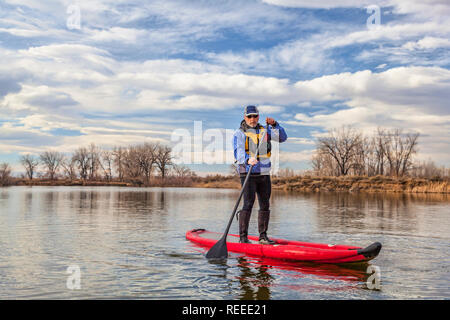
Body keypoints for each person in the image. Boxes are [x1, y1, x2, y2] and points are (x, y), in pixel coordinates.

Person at [233, 105, 288, 244]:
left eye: (255, 116)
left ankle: (263, 237)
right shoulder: (239, 133)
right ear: (245, 117)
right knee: (248, 204)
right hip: (248, 173)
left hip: (264, 173)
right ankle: (243, 238)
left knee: (265, 205)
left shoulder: (266, 131)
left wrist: (275, 124)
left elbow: (282, 137)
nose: (252, 119)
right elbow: (238, 152)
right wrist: (246, 159)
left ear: (258, 116)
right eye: (249, 116)